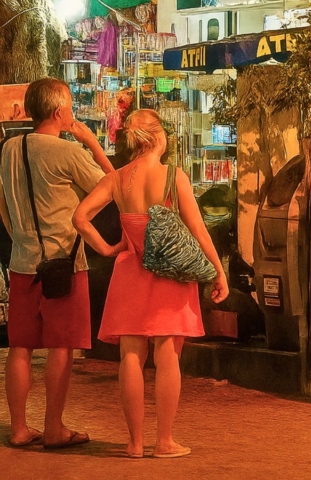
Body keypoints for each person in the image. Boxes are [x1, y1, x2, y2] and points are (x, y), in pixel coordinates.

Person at [73, 109, 228, 458]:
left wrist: (109, 248)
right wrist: (218, 271)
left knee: (131, 353)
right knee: (167, 353)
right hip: (169, 276)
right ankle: (164, 441)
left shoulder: (117, 179)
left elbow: (79, 217)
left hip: (129, 272)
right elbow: (199, 232)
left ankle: (134, 442)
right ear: (159, 137)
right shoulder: (174, 177)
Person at [0, 77, 114, 449]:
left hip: (22, 261)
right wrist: (94, 145)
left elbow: (2, 204)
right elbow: (115, 188)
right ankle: (53, 428)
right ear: (58, 111)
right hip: (63, 263)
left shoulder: (9, 148)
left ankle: (19, 429)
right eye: (68, 107)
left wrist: (19, 234)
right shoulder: (68, 153)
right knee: (61, 346)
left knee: (20, 346)